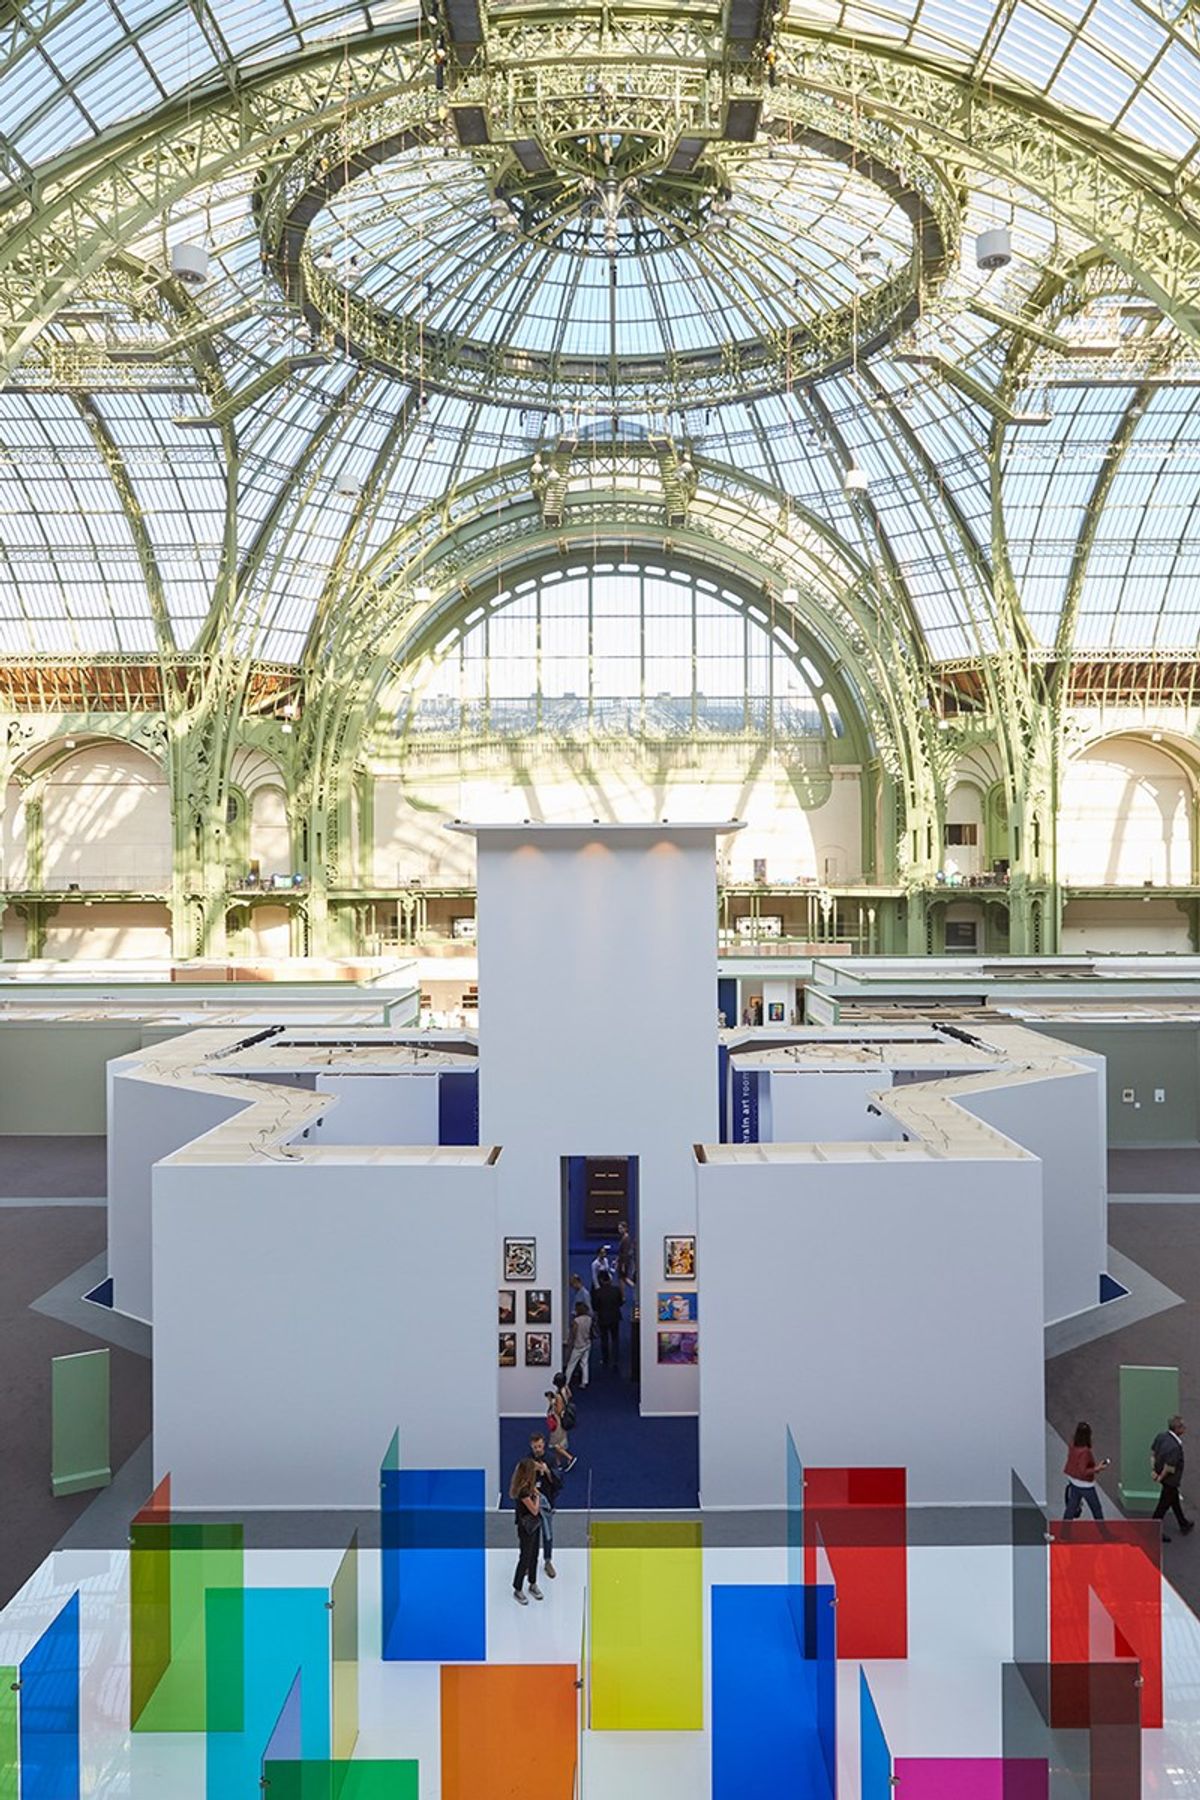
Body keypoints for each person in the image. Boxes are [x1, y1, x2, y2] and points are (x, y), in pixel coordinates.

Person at [1151, 1414, 1195, 1539]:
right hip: (1170, 1481)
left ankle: (1183, 1523)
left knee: (1174, 1500)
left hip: (1164, 1478)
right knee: (1162, 1507)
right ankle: (1154, 1529)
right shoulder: (1175, 1447)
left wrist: (1154, 1471)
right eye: (1183, 1427)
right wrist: (1161, 1477)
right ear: (1177, 1429)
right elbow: (1169, 1467)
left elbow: (1153, 1453)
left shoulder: (1161, 1437)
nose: (1185, 1429)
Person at [509, 1458, 544, 1603]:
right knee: (525, 1557)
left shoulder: (528, 1486)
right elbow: (535, 1510)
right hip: (526, 1528)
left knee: (534, 1554)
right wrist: (537, 1497)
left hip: (534, 1526)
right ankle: (517, 1588)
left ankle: (532, 1583)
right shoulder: (523, 1491)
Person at [529, 1431, 563, 1578]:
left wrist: (547, 1471)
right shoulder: (527, 1460)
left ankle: (548, 1561)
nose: (538, 1449)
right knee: (530, 1534)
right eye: (535, 1447)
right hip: (531, 1504)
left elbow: (558, 1482)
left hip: (547, 1502)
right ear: (531, 1446)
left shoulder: (550, 1459)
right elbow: (520, 1481)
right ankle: (530, 1562)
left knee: (547, 1533)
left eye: (540, 1446)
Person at [1063, 1421, 1109, 1520]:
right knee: (1096, 1509)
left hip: (1073, 1480)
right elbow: (1083, 1471)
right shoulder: (1085, 1452)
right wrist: (1097, 1468)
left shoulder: (1072, 1444)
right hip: (1085, 1485)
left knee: (1071, 1508)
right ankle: (1104, 1533)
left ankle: (1064, 1532)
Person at [593, 1268, 624, 1372]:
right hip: (615, 1318)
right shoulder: (616, 1290)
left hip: (603, 1319)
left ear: (601, 1280)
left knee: (604, 1340)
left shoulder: (598, 1292)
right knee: (615, 1339)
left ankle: (606, 1359)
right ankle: (615, 1360)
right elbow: (620, 1302)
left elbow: (595, 1307)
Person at [544, 1385, 576, 1471]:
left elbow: (558, 1410)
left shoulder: (558, 1395)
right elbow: (570, 1396)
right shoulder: (565, 1389)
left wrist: (552, 1403)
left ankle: (570, 1457)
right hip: (563, 1420)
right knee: (560, 1443)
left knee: (555, 1444)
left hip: (558, 1422)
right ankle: (558, 1463)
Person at [564, 1299, 593, 1390]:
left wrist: (569, 1344)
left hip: (578, 1345)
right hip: (587, 1343)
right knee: (584, 1363)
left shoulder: (576, 1321)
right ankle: (584, 1381)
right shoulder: (589, 1319)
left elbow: (573, 1334)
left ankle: (566, 1382)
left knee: (571, 1365)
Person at [616, 1219, 636, 1294]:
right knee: (622, 1278)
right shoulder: (623, 1238)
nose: (619, 1230)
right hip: (622, 1261)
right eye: (618, 1228)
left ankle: (635, 1288)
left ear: (625, 1228)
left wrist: (623, 1265)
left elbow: (625, 1253)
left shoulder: (626, 1239)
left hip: (624, 1262)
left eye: (621, 1228)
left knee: (623, 1278)